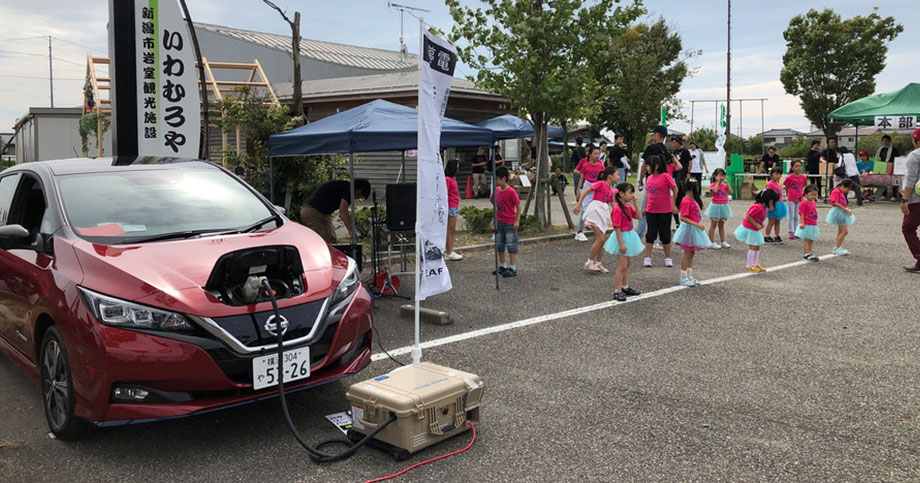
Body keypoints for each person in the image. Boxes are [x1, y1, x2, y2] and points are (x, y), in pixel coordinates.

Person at [574, 167, 619, 273]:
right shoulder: (601, 184)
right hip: (595, 212)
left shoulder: (609, 189)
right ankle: (589, 262)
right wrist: (579, 205)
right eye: (617, 174)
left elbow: (614, 205)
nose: (619, 177)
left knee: (602, 239)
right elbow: (585, 191)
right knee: (601, 239)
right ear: (610, 176)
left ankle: (598, 264)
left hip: (602, 213)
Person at [605, 182, 644, 301]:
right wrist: (621, 243)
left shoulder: (627, 207)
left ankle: (625, 287)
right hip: (621, 237)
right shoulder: (617, 209)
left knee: (627, 265)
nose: (632, 195)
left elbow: (639, 216)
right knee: (622, 265)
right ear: (621, 194)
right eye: (630, 192)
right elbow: (616, 227)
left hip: (629, 235)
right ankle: (617, 290)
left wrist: (636, 204)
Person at [300, 178, 371, 243]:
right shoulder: (349, 189)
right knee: (323, 242)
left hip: (320, 212)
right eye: (360, 197)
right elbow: (343, 211)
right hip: (313, 211)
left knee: (332, 239)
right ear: (359, 191)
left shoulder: (344, 186)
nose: (357, 198)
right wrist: (350, 231)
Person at [673, 179, 711, 287]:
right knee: (687, 253)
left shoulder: (693, 200)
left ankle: (689, 276)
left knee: (691, 253)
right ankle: (683, 277)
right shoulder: (686, 201)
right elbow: (683, 217)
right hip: (689, 229)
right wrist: (697, 224)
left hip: (693, 228)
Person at [642, 155, 678, 268]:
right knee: (650, 233)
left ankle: (667, 257)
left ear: (656, 166)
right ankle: (647, 257)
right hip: (651, 210)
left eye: (649, 165)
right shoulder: (649, 178)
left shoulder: (665, 176)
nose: (647, 167)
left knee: (665, 233)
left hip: (665, 210)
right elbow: (648, 193)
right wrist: (645, 207)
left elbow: (675, 189)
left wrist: (674, 204)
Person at [636, 126, 671, 240]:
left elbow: (644, 166)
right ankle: (662, 240)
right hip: (664, 184)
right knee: (662, 211)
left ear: (657, 135)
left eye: (653, 134)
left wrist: (640, 180)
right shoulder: (666, 151)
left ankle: (638, 237)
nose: (652, 136)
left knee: (645, 210)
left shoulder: (651, 148)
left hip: (652, 182)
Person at [734, 188, 778, 273]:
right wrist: (756, 224)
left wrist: (760, 224)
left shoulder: (764, 207)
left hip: (754, 228)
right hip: (750, 228)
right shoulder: (758, 207)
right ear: (770, 200)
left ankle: (755, 264)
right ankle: (749, 266)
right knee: (753, 246)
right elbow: (748, 216)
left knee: (757, 246)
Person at [491, 166, 521, 277]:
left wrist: (517, 220)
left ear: (504, 179)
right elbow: (492, 199)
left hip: (509, 222)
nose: (496, 181)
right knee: (500, 245)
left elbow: (518, 206)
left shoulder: (511, 192)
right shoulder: (497, 191)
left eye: (497, 179)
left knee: (511, 245)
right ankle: (503, 266)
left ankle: (513, 268)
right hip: (500, 221)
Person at [573, 145, 604, 242]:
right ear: (590, 155)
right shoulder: (586, 165)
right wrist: (578, 190)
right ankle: (580, 231)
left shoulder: (601, 165)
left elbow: (602, 179)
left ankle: (597, 231)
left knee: (597, 209)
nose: (597, 156)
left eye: (598, 154)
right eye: (595, 154)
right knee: (586, 210)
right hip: (587, 186)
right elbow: (582, 178)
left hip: (597, 186)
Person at [901, 127, 920, 272]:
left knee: (908, 228)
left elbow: (910, 179)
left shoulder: (915, 155)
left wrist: (904, 199)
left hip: (916, 199)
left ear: (915, 140)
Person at [827, 178, 857, 256]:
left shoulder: (839, 191)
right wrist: (845, 210)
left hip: (841, 211)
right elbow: (834, 202)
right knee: (844, 231)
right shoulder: (836, 191)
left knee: (840, 231)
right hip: (839, 212)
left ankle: (838, 246)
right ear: (843, 186)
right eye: (848, 189)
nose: (848, 191)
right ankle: (836, 248)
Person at [706, 168, 733, 249]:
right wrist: (717, 181)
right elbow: (715, 190)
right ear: (715, 176)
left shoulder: (724, 185)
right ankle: (711, 242)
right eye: (719, 176)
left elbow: (731, 191)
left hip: (724, 206)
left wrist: (727, 183)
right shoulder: (712, 185)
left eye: (723, 176)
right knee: (713, 225)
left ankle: (723, 241)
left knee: (721, 225)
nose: (721, 177)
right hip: (716, 206)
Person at [795, 184, 821, 262]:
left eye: (815, 195)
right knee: (807, 240)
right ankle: (807, 254)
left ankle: (809, 252)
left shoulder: (813, 202)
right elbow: (801, 213)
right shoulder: (804, 203)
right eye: (812, 195)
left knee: (811, 239)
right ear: (806, 194)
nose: (814, 196)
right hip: (807, 223)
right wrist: (802, 222)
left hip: (813, 223)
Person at [783, 160, 808, 239]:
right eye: (796, 166)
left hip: (799, 198)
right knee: (791, 215)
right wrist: (788, 194)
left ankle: (797, 230)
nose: (798, 168)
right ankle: (791, 231)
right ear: (792, 168)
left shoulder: (803, 177)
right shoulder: (789, 177)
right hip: (791, 197)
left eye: (800, 166)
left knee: (798, 215)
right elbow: (786, 186)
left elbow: (803, 186)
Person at [444, 160, 463, 261]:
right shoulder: (448, 179)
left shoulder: (452, 179)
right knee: (450, 230)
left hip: (453, 205)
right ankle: (449, 251)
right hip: (450, 206)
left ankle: (450, 250)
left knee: (451, 230)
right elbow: (445, 193)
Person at [763, 167, 788, 243]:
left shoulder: (778, 184)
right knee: (771, 221)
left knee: (778, 221)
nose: (778, 176)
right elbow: (769, 196)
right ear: (771, 175)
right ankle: (767, 235)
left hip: (779, 203)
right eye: (776, 174)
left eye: (780, 174)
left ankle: (777, 235)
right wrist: (770, 205)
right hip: (773, 203)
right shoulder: (769, 184)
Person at [876, 134, 901, 201]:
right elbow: (878, 159)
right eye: (883, 141)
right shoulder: (880, 150)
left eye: (886, 141)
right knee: (883, 181)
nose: (885, 142)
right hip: (883, 167)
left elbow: (897, 159)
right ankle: (884, 195)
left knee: (894, 181)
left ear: (889, 141)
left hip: (893, 168)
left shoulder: (894, 149)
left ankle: (894, 196)